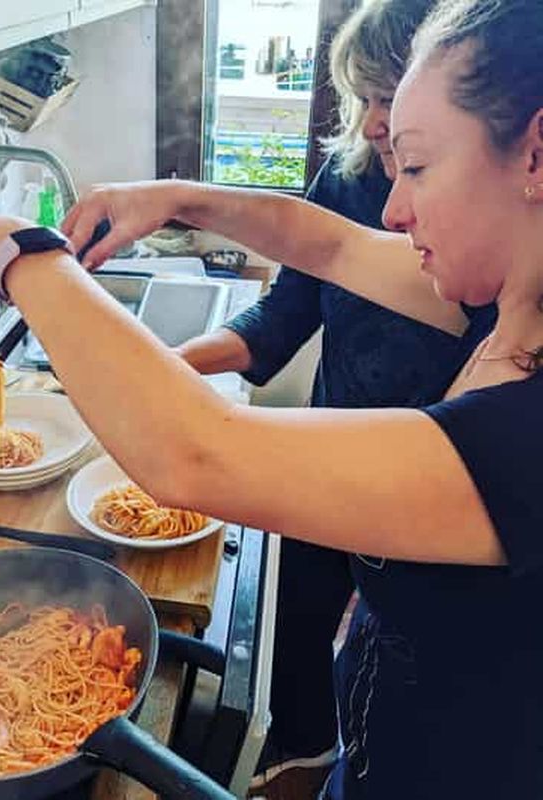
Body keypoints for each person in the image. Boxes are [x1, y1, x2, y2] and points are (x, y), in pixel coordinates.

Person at [0, 0, 543, 796]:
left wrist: (8, 250)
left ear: (536, 154)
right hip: (388, 743)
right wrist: (173, 198)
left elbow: (194, 452)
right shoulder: (504, 304)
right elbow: (331, 243)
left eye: (414, 164)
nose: (392, 207)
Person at [175, 2, 451, 794]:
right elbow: (283, 316)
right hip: (332, 447)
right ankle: (302, 755)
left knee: (394, 649)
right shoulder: (353, 178)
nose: (371, 123)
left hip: (420, 480)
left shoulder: (486, 249)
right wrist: (169, 364)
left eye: (388, 98)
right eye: (361, 97)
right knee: (295, 623)